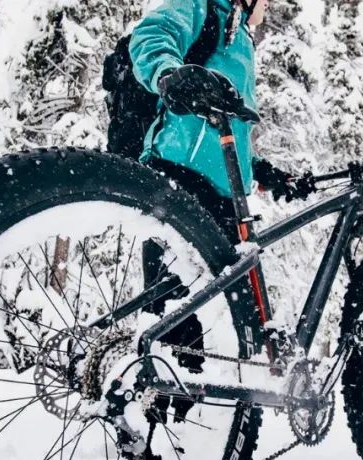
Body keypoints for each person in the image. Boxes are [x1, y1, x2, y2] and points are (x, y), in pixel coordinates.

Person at [128, 0, 313, 375]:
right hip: (178, 178)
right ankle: (149, 399)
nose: (268, 5)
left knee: (230, 325)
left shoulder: (240, 38)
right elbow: (151, 33)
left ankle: (212, 407)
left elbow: (229, 133)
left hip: (226, 200)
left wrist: (263, 172)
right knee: (175, 319)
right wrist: (169, 74)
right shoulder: (208, 8)